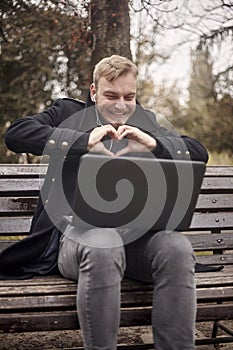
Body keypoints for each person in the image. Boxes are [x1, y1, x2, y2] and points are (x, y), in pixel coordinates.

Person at [1, 55, 209, 350]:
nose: (121, 105)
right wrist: (80, 142)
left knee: (177, 247)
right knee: (105, 242)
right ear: (94, 91)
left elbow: (199, 151)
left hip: (135, 243)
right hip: (74, 242)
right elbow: (17, 134)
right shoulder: (68, 112)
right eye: (111, 95)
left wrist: (155, 143)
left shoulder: (145, 123)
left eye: (129, 96)